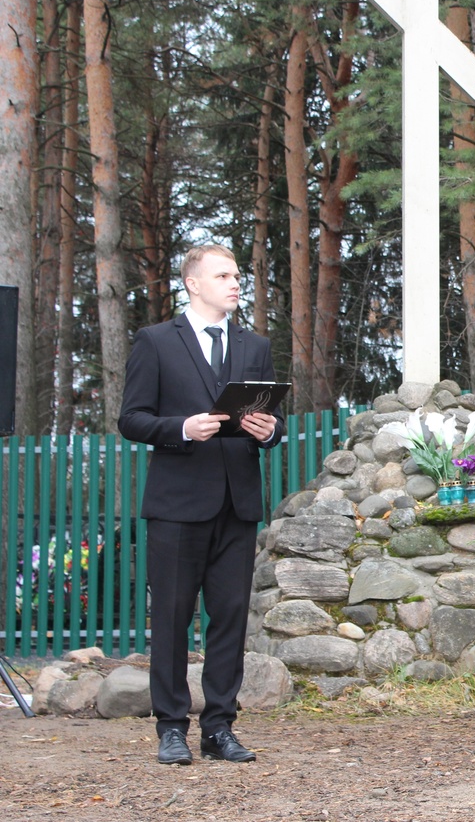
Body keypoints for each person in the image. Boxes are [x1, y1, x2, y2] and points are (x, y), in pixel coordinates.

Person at [119, 243, 283, 766]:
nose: (236, 283)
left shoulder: (255, 346)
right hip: (176, 503)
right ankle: (171, 727)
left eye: (237, 275)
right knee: (170, 617)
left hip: (238, 504)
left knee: (231, 617)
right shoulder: (155, 342)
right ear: (193, 283)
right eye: (224, 275)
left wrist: (269, 431)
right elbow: (132, 419)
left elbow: (270, 424)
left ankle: (219, 727)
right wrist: (182, 429)